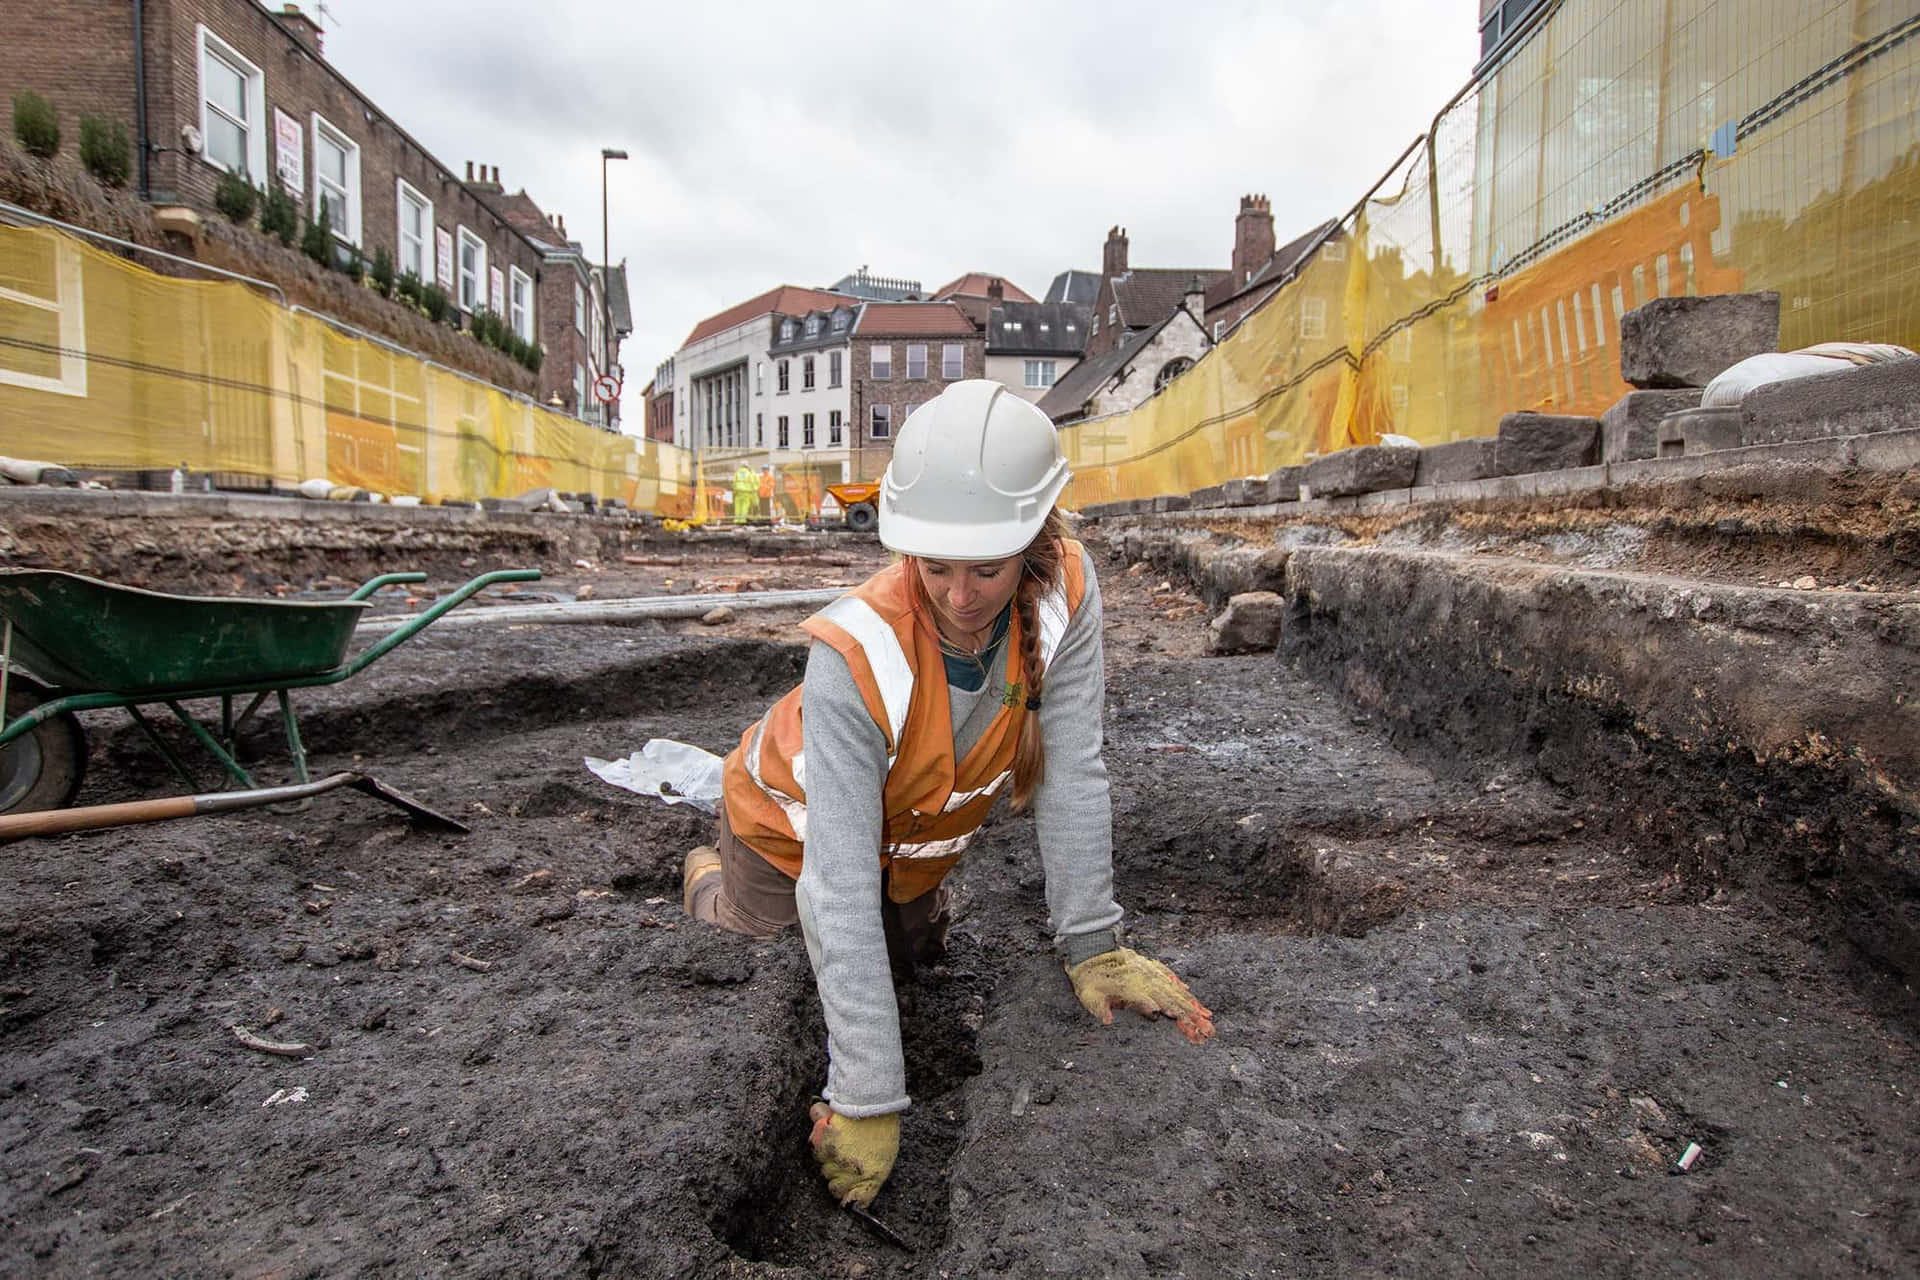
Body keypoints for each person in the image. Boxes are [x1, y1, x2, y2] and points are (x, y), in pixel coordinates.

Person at [682, 380, 1213, 1209]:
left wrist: (1092, 942)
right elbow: (838, 886)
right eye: (935, 568)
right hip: (788, 835)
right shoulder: (853, 655)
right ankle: (705, 875)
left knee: (914, 963)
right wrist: (865, 1097)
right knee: (771, 958)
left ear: (1034, 540)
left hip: (909, 847)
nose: (959, 597)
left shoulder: (1067, 591)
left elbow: (1072, 769)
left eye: (986, 571)